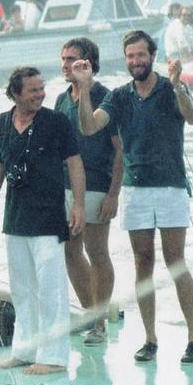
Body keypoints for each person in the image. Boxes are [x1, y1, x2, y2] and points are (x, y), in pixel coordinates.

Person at [74, 31, 193, 364]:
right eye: (130, 56)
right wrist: (86, 88)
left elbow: (192, 117)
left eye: (141, 55)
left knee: (176, 261)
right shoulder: (118, 96)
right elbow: (89, 127)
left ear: (153, 55)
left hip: (171, 186)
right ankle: (150, 338)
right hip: (135, 188)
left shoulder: (170, 87)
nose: (135, 61)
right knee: (142, 261)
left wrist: (178, 84)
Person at [0, 66, 85, 374]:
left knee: (51, 289)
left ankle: (54, 357)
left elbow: (74, 164)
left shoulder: (55, 122)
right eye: (33, 90)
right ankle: (24, 349)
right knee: (22, 289)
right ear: (16, 93)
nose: (40, 94)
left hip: (48, 217)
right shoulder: (2, 123)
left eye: (41, 88)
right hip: (16, 217)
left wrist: (78, 205)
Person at [55, 38, 121, 345]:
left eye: (73, 60)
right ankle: (89, 311)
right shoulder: (61, 98)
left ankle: (99, 322)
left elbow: (120, 151)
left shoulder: (105, 96)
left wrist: (113, 193)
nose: (67, 65)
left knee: (97, 251)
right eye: (64, 59)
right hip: (67, 185)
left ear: (89, 64)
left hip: (97, 182)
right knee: (71, 250)